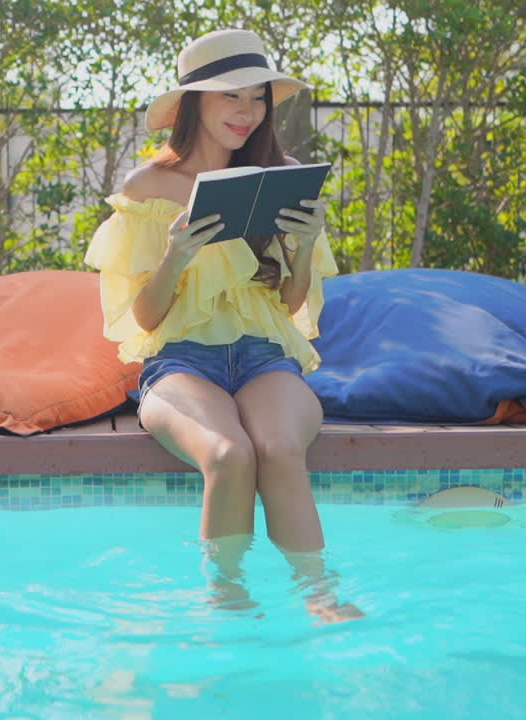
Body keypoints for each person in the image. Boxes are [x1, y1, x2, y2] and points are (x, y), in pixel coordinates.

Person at [84, 29, 361, 621]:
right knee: (230, 453)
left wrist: (306, 246)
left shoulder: (279, 174)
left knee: (280, 446)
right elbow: (144, 318)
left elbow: (289, 306)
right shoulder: (147, 188)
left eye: (257, 98)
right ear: (194, 104)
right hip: (182, 361)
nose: (247, 112)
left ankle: (319, 593)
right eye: (230, 97)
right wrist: (176, 255)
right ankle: (226, 597)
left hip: (265, 356)